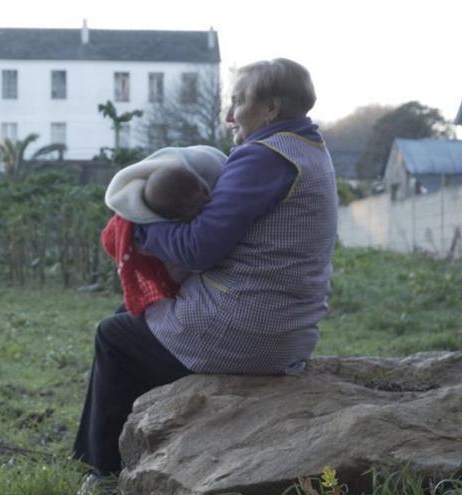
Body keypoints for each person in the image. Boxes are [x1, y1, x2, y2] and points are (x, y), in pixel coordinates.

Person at [73, 58, 337, 494]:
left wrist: (140, 229)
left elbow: (199, 247)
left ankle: (102, 471)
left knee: (114, 336)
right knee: (134, 318)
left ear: (269, 109)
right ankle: (146, 439)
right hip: (285, 326)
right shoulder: (310, 149)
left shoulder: (262, 157)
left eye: (238, 102)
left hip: (246, 328)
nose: (230, 115)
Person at [100, 146, 227, 316]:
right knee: (120, 318)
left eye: (204, 192)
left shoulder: (212, 180)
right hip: (182, 294)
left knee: (117, 323)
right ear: (173, 215)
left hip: (199, 298)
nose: (204, 200)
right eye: (191, 206)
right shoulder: (155, 228)